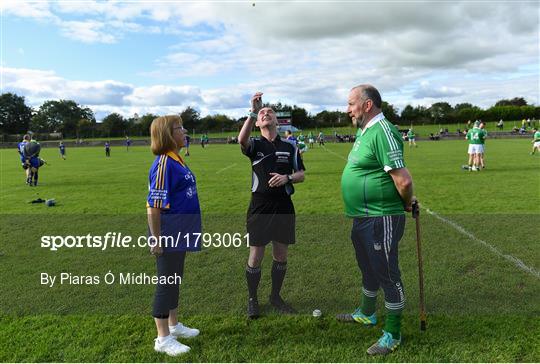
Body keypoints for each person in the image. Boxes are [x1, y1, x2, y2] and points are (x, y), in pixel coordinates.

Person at [338, 85, 414, 356]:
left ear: (367, 105)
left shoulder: (383, 131)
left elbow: (403, 180)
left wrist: (407, 203)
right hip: (363, 217)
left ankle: (393, 333)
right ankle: (367, 313)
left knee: (387, 274)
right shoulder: (364, 131)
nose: (348, 110)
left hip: (381, 218)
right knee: (368, 267)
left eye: (351, 104)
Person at [238, 92, 305, 319]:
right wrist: (252, 111)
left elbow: (301, 174)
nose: (267, 114)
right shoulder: (255, 145)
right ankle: (252, 299)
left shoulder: (290, 147)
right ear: (258, 122)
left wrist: (287, 179)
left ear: (277, 121)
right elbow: (241, 140)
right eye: (263, 113)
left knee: (281, 254)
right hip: (260, 206)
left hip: (284, 205)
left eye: (270, 112)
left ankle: (275, 296)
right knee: (256, 254)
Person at [146, 115, 201, 356]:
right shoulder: (163, 164)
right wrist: (156, 238)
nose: (185, 131)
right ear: (168, 134)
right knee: (166, 282)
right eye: (180, 128)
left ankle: (174, 325)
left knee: (175, 278)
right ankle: (162, 338)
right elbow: (153, 206)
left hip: (182, 231)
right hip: (168, 234)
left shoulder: (177, 159)